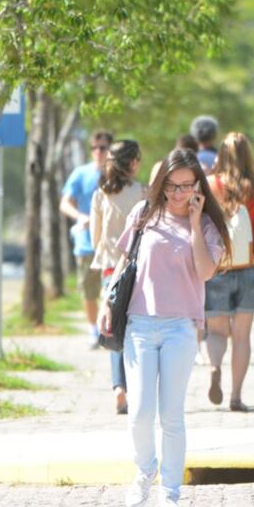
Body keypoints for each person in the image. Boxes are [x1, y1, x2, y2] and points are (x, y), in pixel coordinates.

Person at [99, 148, 228, 507]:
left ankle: (170, 493)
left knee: (171, 415)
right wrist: (108, 301)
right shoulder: (145, 213)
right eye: (172, 186)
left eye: (187, 186)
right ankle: (145, 470)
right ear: (161, 183)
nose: (178, 193)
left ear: (199, 186)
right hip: (139, 323)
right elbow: (125, 260)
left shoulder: (207, 225)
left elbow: (205, 271)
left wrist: (196, 222)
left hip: (181, 327)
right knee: (140, 411)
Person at [204, 132, 254, 412]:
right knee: (241, 336)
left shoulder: (210, 185)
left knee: (216, 331)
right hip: (250, 266)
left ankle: (215, 367)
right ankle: (236, 396)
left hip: (217, 267)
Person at [90, 139, 146, 415]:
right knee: (134, 327)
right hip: (136, 268)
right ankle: (134, 385)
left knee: (112, 326)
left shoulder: (100, 194)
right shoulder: (141, 192)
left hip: (110, 269)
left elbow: (94, 236)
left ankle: (118, 387)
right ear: (133, 163)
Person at [61, 130, 112, 348]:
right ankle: (93, 330)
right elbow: (65, 203)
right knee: (89, 291)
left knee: (110, 289)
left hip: (111, 244)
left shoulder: (117, 175)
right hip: (86, 243)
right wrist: (80, 217)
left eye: (103, 147)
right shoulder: (80, 173)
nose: (98, 152)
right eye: (94, 148)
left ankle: (108, 329)